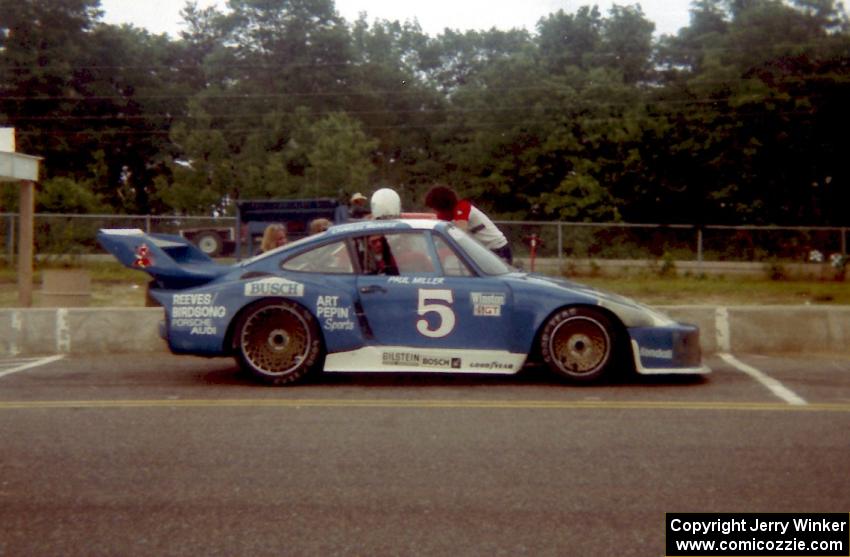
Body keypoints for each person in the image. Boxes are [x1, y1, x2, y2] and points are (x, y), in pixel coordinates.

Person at [424, 184, 513, 264]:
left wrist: (444, 250)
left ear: (441, 204)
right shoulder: (445, 214)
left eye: (434, 207)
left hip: (497, 249)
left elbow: (461, 235)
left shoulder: (463, 207)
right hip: (483, 251)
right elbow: (437, 230)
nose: (434, 211)